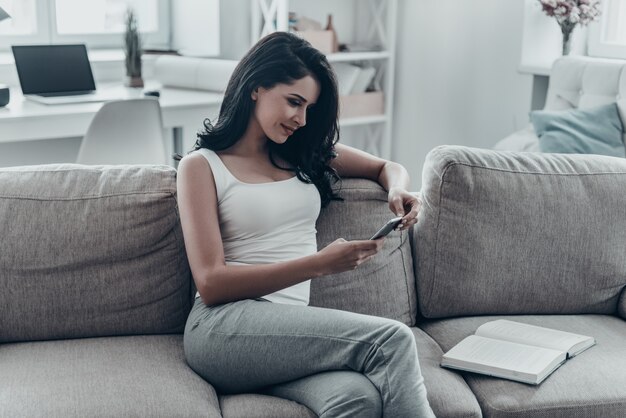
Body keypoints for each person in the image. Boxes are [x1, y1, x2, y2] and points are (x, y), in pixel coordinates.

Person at [177, 32, 435, 418]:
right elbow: (211, 283)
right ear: (256, 87)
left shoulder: (304, 156)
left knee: (356, 398)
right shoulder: (201, 166)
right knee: (391, 339)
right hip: (221, 328)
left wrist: (398, 190)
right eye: (294, 102)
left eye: (309, 108)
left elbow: (386, 166)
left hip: (282, 337)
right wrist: (319, 263)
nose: (301, 119)